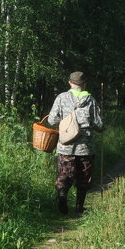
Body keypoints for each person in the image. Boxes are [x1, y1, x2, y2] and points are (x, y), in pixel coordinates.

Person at [46, 71, 104, 216]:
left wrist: (66, 123)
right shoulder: (90, 99)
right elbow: (99, 124)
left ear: (70, 83)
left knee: (64, 174)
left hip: (65, 146)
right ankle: (79, 207)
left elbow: (51, 120)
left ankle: (62, 197)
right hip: (86, 147)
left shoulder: (61, 98)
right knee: (84, 177)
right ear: (84, 84)